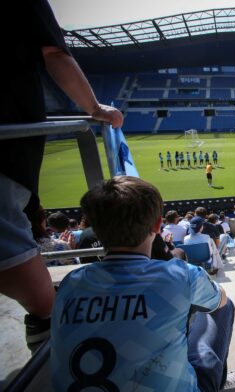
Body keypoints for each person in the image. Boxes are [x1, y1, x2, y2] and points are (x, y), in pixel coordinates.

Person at [0, 0, 123, 354]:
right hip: (6, 157)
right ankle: (54, 360)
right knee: (43, 302)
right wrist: (94, 108)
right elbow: (54, 52)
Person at [50, 176, 235, 391]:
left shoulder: (71, 283)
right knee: (221, 305)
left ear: (95, 230)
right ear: (157, 225)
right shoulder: (181, 275)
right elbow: (221, 300)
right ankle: (217, 380)